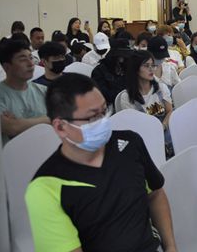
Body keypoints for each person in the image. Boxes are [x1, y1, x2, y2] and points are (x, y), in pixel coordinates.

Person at [25, 73, 177, 252]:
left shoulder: (130, 144)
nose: (103, 122)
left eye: (104, 111)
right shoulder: (46, 187)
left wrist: (170, 247)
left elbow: (156, 195)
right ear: (61, 127)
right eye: (92, 117)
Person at [117, 51, 174, 158]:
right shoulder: (127, 97)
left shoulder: (161, 88)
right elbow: (133, 126)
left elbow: (170, 111)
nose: (151, 69)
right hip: (144, 138)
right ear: (135, 69)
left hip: (164, 133)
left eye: (153, 65)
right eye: (146, 66)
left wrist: (162, 126)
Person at [0, 39, 49, 142]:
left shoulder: (43, 90)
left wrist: (19, 123)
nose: (30, 63)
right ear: (7, 67)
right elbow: (11, 127)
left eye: (31, 57)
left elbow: (60, 120)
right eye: (23, 59)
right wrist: (47, 119)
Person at [91, 39, 131, 107]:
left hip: (128, 103)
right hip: (108, 106)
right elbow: (103, 94)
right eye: (121, 56)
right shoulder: (99, 71)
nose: (123, 58)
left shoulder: (127, 68)